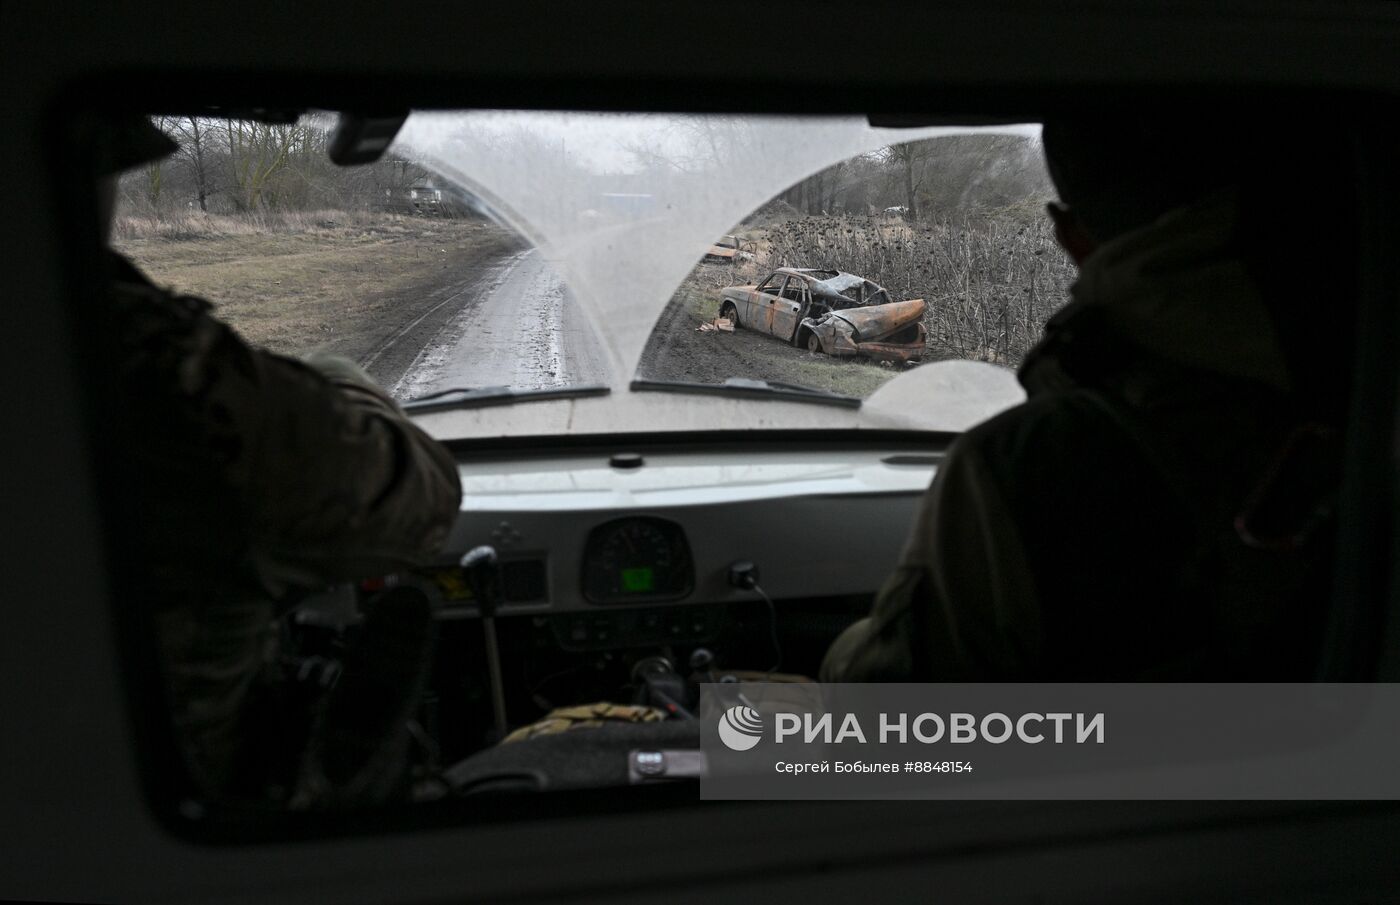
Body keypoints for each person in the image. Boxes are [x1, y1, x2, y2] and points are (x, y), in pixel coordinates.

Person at [821, 115, 1355, 682]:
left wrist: (847, 652)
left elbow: (886, 720)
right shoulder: (1359, 381)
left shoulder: (1029, 464)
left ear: (1069, 236)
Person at [93, 118, 462, 807]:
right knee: (701, 748)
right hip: (205, 815)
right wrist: (340, 375)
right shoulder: (161, 373)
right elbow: (425, 495)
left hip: (99, 818)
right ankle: (734, 791)